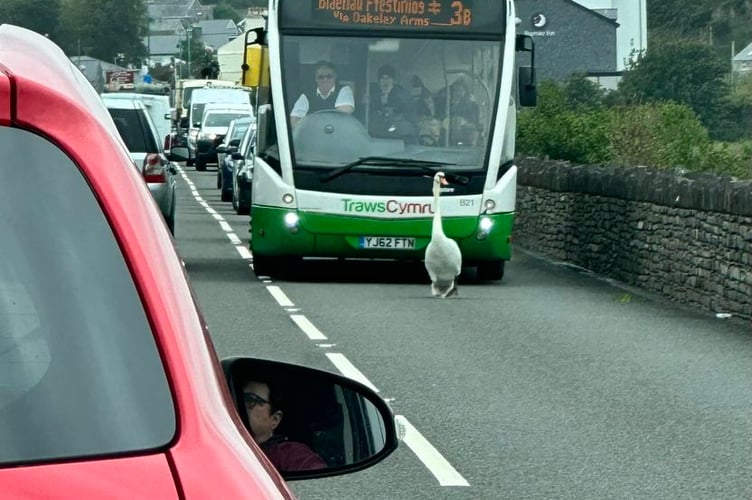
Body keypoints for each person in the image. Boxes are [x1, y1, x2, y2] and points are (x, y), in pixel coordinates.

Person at [244, 379, 328, 472]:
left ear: (275, 419)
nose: (241, 405)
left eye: (250, 400)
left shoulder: (290, 454)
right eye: (239, 398)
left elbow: (316, 473)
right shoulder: (229, 447)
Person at [289, 61, 354, 126]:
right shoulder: (306, 95)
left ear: (335, 77)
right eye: (321, 77)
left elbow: (343, 116)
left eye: (329, 76)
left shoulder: (344, 90)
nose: (325, 80)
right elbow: (294, 119)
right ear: (316, 79)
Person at [368, 64, 416, 140]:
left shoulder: (403, 95)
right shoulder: (372, 95)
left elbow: (410, 116)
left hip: (399, 135)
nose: (385, 81)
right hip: (377, 135)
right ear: (378, 81)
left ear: (394, 80)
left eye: (388, 78)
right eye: (382, 78)